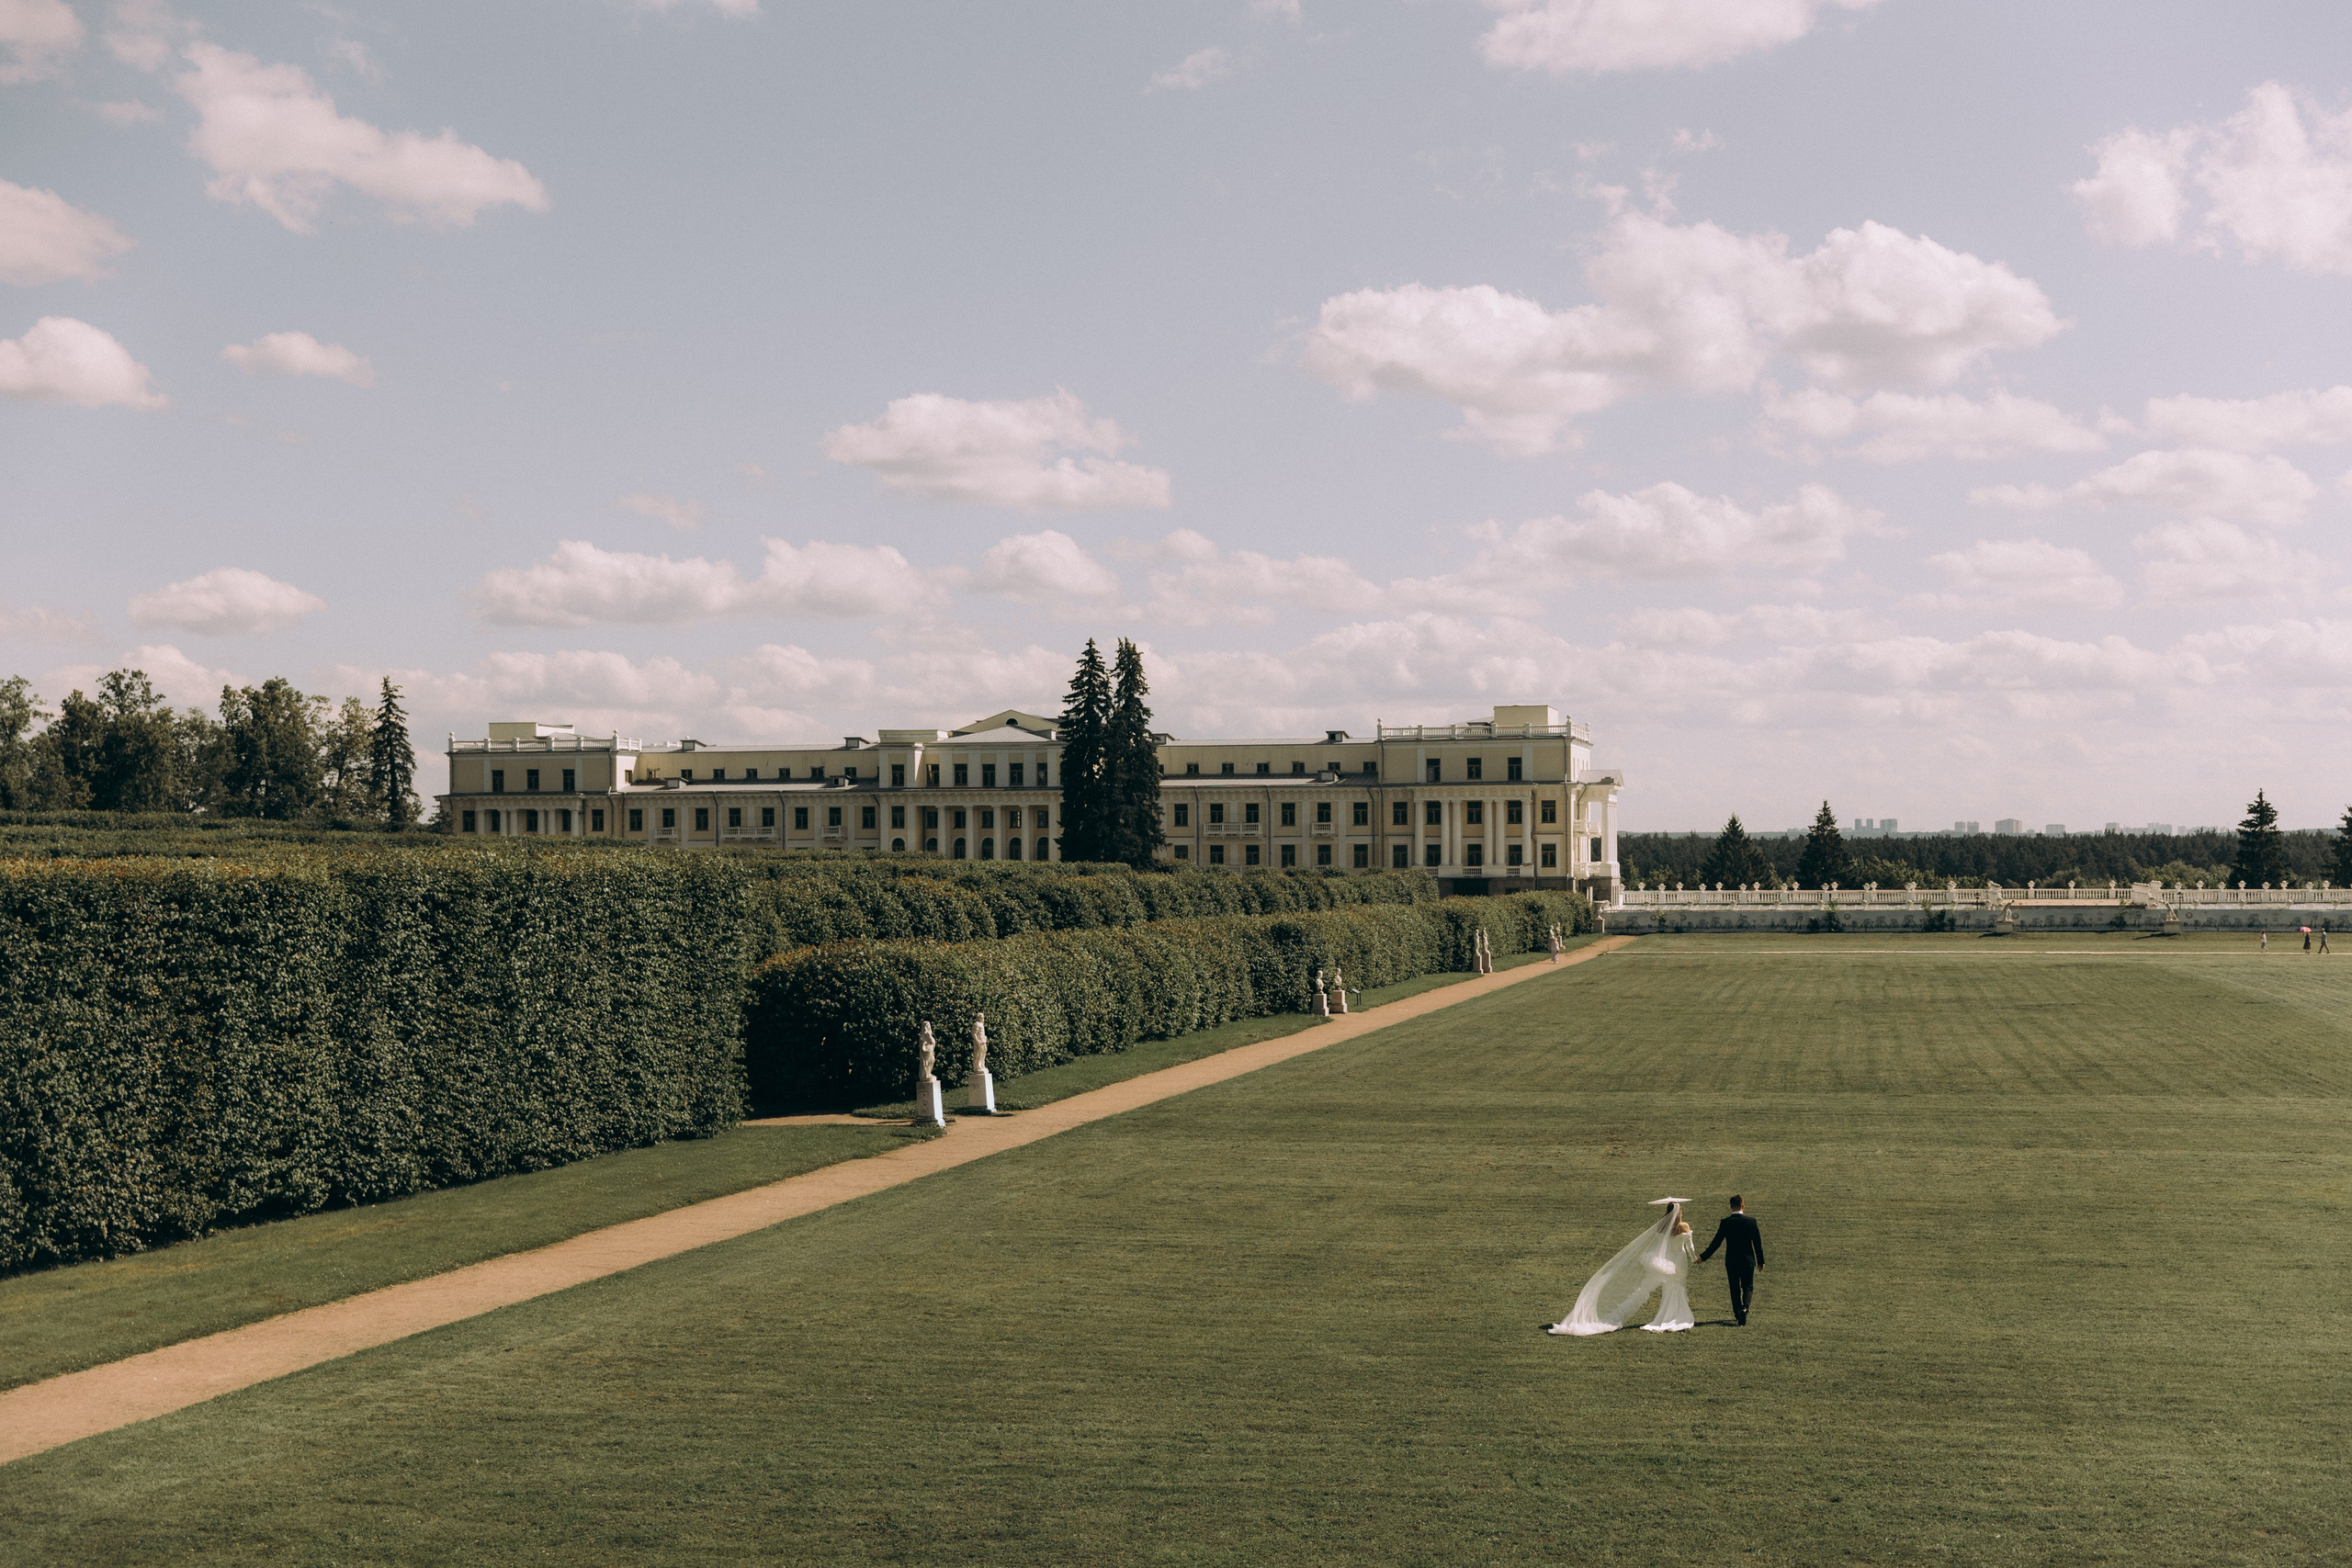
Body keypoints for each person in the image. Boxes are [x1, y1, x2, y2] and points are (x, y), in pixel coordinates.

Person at [1547, 1199, 1695, 1336]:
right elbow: (1689, 1246)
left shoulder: (1661, 1226)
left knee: (1669, 1289)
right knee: (1679, 1287)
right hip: (1679, 1262)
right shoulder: (1683, 1226)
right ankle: (1677, 1316)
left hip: (1668, 1261)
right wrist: (1695, 1258)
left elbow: (1660, 1245)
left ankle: (1667, 1316)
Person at [1699, 1195, 1765, 1326]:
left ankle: (1737, 1312)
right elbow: (1757, 1243)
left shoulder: (1726, 1222)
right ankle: (1745, 1308)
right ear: (1743, 1206)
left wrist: (1703, 1257)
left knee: (1734, 1288)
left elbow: (1716, 1243)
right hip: (1748, 1260)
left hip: (1732, 1261)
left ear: (1731, 1207)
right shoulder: (1751, 1222)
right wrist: (1760, 1260)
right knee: (1748, 1286)